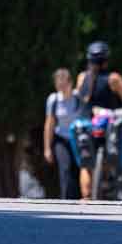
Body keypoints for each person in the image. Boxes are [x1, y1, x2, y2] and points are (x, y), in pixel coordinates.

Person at [74, 41, 122, 201]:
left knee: (86, 165)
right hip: (107, 126)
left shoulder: (82, 78)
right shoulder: (113, 79)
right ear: (107, 60)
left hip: (86, 125)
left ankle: (87, 197)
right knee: (112, 151)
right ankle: (107, 181)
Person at [43, 68, 82, 199]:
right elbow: (49, 124)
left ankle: (80, 198)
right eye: (59, 86)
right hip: (61, 138)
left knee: (78, 169)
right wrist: (47, 148)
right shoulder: (53, 100)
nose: (62, 89)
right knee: (65, 169)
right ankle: (66, 200)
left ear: (70, 83)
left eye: (64, 85)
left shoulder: (78, 97)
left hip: (78, 138)